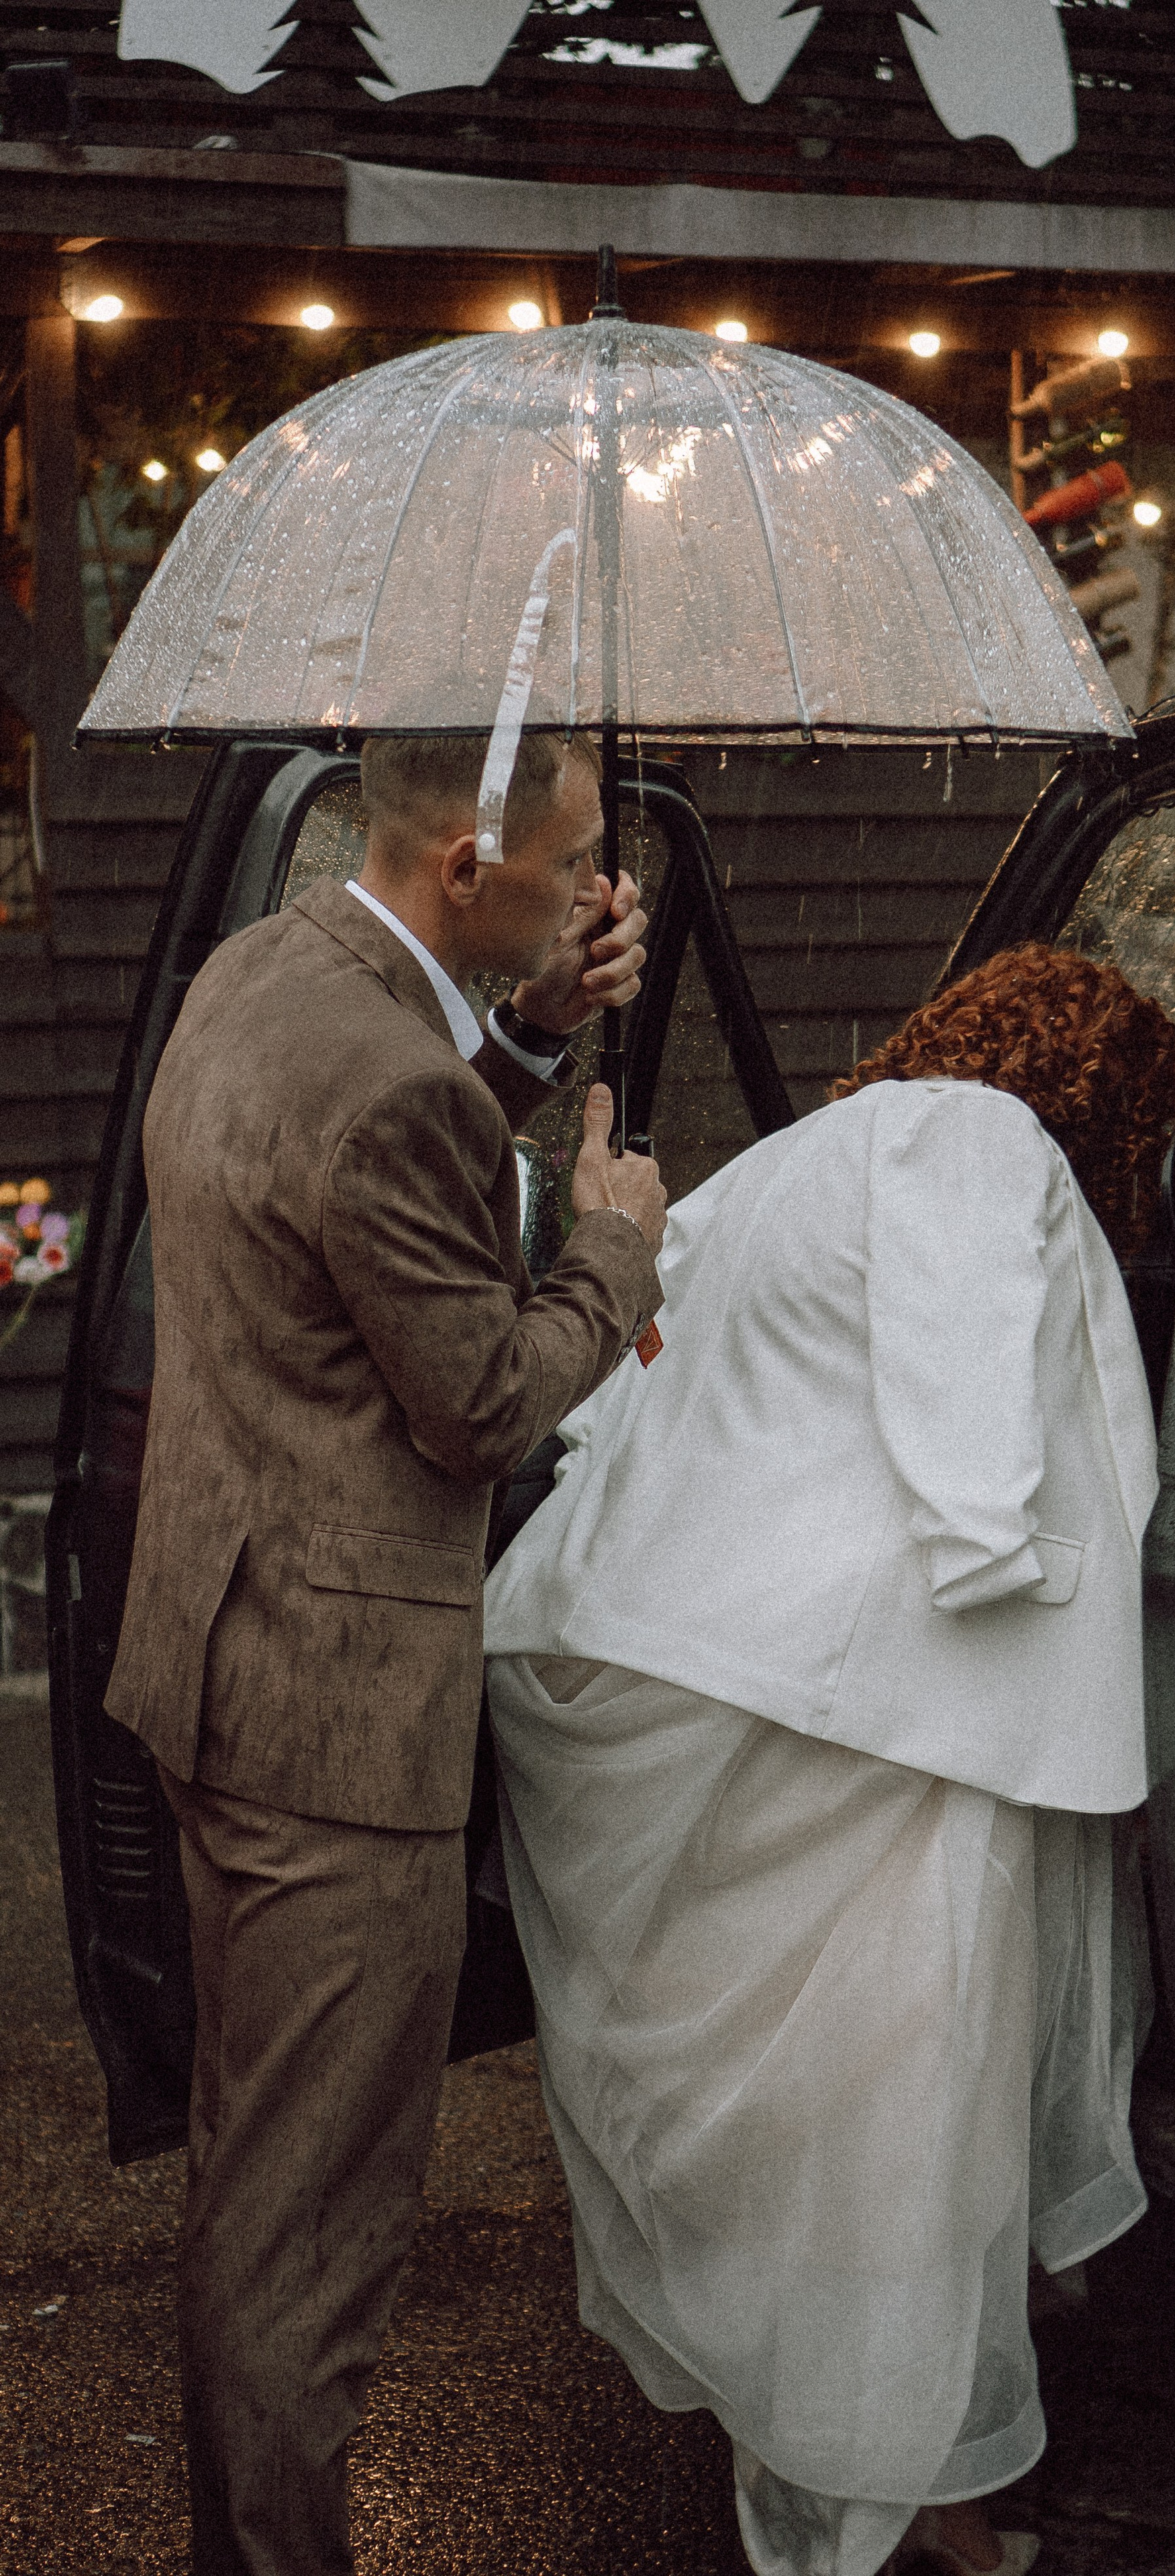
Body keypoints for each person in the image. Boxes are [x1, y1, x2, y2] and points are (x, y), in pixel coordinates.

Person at [484, 943, 1175, 2576]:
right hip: (860, 1713)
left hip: (685, 1686)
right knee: (902, 2143)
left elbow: (614, 1406)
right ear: (1100, 1095)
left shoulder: (799, 1157)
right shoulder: (974, 1141)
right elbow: (965, 1428)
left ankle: (882, 2488)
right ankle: (905, 2513)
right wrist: (1006, 1565)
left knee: (816, 2144)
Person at [105, 728, 669, 2576]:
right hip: (339, 1733)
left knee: (249, 2170)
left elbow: (372, 1193)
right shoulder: (388, 1089)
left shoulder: (266, 970)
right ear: (458, 868)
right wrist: (610, 1254)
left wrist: (532, 1028)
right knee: (311, 2235)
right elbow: (484, 1403)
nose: (598, 893)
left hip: (213, 1653)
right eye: (572, 864)